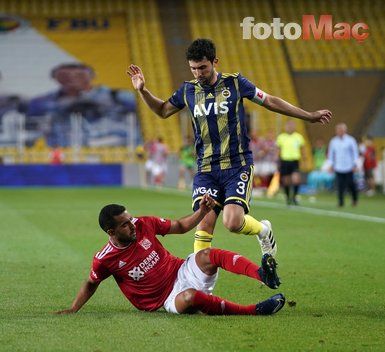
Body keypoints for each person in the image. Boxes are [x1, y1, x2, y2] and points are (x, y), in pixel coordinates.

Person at [127, 38, 332, 255]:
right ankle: (199, 278)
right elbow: (162, 111)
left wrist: (308, 116)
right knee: (204, 222)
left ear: (215, 62)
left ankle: (263, 230)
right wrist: (143, 90)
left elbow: (270, 101)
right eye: (193, 69)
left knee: (233, 223)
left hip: (237, 164)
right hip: (206, 168)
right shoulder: (188, 91)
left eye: (203, 68)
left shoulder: (236, 83)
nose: (198, 73)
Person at [55, 194, 285, 316]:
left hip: (180, 269)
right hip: (164, 298)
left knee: (209, 254)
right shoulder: (105, 258)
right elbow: (90, 282)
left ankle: (262, 274)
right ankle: (254, 311)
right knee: (190, 298)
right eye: (125, 224)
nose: (133, 225)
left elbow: (180, 225)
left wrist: (202, 211)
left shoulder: (143, 223)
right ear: (111, 232)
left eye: (131, 219)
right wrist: (74, 307)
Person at [27, 63, 136, 147]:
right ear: (55, 78)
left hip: (109, 150)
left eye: (80, 75)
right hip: (63, 152)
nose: (72, 78)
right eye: (64, 75)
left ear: (92, 76)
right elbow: (31, 128)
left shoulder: (117, 96)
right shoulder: (42, 102)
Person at [327, 123, 359, 207]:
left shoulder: (350, 140)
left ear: (345, 130)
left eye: (341, 129)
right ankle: (341, 202)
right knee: (340, 185)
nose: (340, 131)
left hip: (349, 166)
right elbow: (331, 154)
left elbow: (355, 153)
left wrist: (355, 164)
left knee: (350, 184)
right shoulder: (333, 141)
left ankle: (354, 199)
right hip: (338, 166)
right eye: (338, 129)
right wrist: (331, 165)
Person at [276, 120, 306, 206]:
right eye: (288, 126)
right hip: (284, 161)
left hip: (295, 161)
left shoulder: (298, 137)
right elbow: (279, 150)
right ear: (285, 127)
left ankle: (294, 197)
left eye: (291, 126)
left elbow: (302, 149)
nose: (290, 128)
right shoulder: (281, 137)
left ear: (294, 127)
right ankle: (288, 198)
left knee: (296, 180)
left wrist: (304, 160)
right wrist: (277, 161)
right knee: (285, 181)